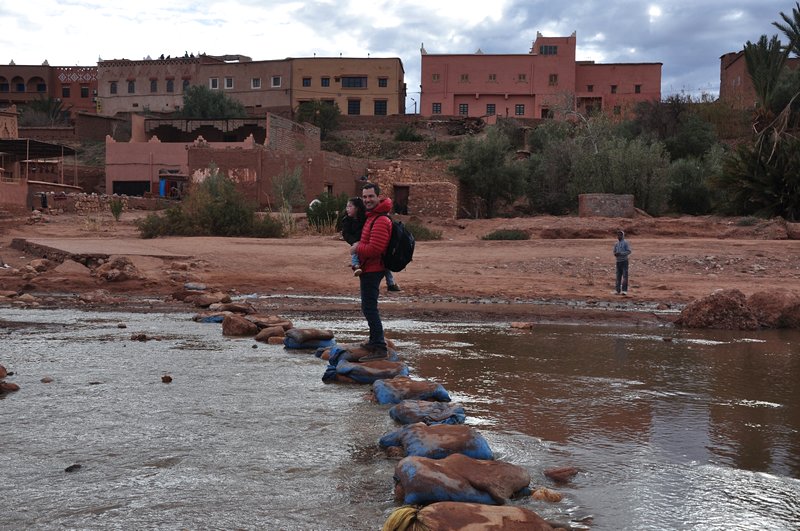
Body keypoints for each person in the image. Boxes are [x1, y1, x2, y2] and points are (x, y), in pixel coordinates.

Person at [351, 182, 392, 360]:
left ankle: (380, 348)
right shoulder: (372, 216)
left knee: (369, 308)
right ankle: (374, 341)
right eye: (365, 196)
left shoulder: (381, 220)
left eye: (371, 196)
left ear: (378, 197)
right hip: (368, 268)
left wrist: (357, 248)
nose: (367, 200)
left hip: (374, 269)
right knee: (368, 307)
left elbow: (376, 249)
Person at [341, 197, 366, 276]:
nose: (347, 209)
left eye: (350, 206)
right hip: (355, 242)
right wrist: (354, 242)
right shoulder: (346, 220)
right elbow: (346, 234)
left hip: (366, 241)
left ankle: (391, 283)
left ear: (357, 208)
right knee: (355, 252)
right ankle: (356, 266)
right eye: (347, 207)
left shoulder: (365, 218)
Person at [613, 230, 631, 295]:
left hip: (624, 261)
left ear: (623, 236)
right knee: (618, 276)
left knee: (625, 276)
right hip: (618, 261)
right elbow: (614, 251)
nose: (619, 236)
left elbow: (629, 251)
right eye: (618, 235)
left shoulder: (626, 243)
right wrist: (615, 254)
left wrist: (621, 253)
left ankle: (624, 290)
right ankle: (617, 290)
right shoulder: (616, 244)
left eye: (620, 235)